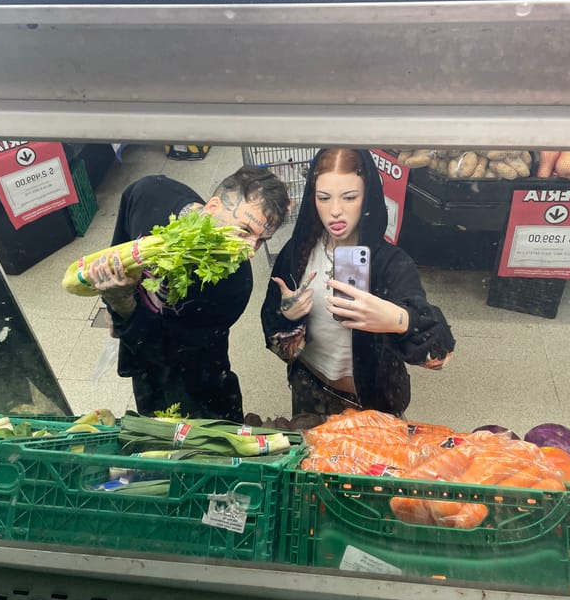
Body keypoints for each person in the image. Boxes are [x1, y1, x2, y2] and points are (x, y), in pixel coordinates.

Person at [261, 148, 455, 421]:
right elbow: (272, 332)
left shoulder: (390, 264)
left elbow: (439, 353)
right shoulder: (297, 254)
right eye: (323, 197)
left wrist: (399, 320)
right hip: (308, 390)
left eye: (350, 197)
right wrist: (288, 317)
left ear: (368, 198)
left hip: (373, 403)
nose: (335, 211)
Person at [88, 166, 290, 421]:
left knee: (215, 426)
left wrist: (123, 307)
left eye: (261, 240)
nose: (250, 251)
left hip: (198, 367)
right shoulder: (150, 194)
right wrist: (113, 304)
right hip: (145, 355)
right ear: (213, 207)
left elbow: (168, 352)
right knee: (155, 422)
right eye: (245, 231)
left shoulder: (235, 285)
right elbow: (119, 250)